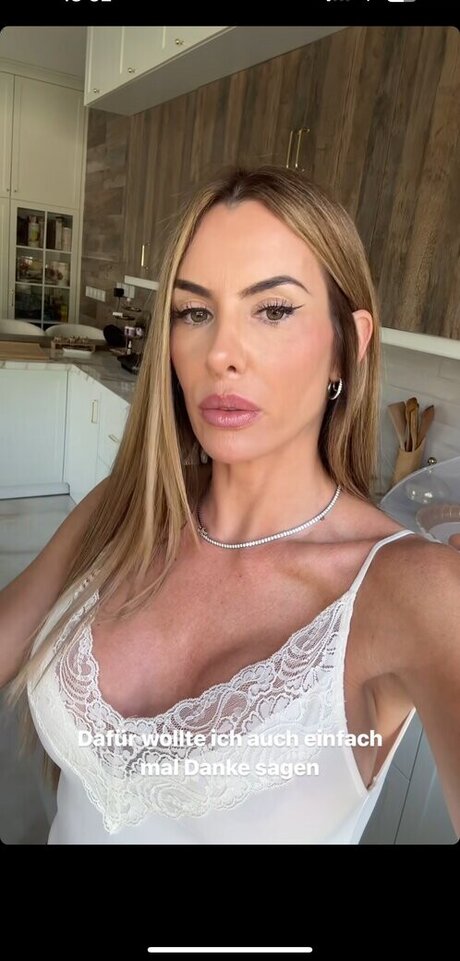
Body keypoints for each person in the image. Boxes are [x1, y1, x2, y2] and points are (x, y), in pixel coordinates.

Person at [2, 165, 459, 844]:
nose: (221, 353)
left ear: (349, 345)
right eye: (195, 312)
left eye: (273, 310)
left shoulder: (415, 591)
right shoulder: (124, 508)